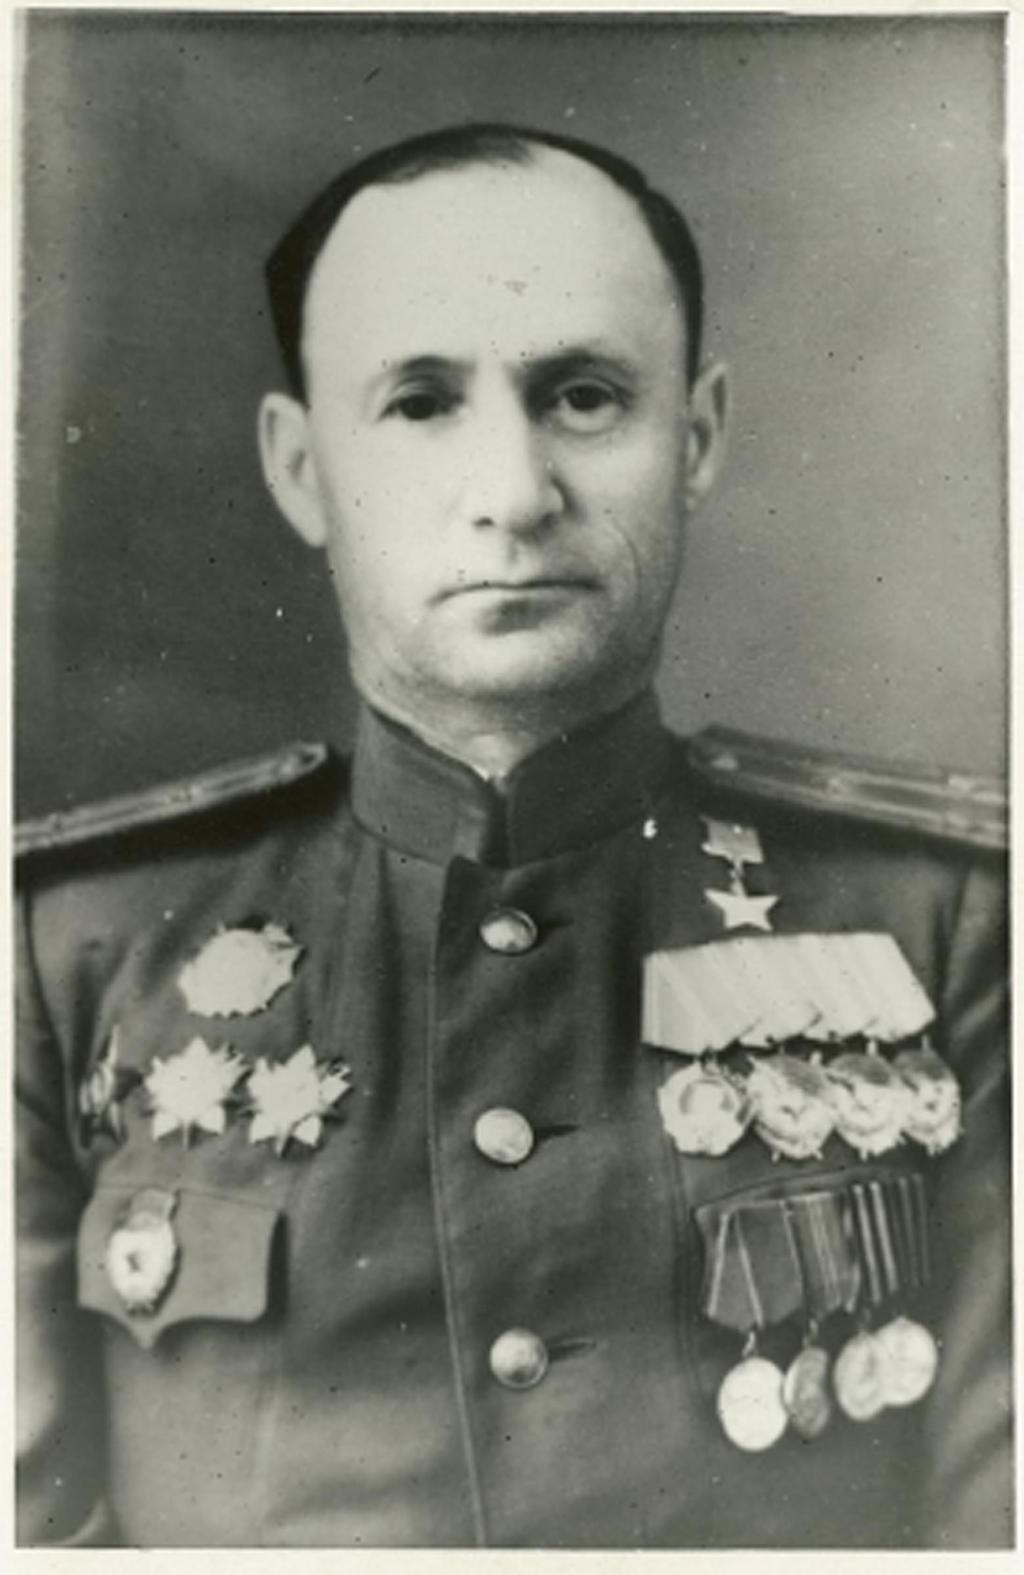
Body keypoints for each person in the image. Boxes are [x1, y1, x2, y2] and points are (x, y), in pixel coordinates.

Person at [15, 122, 1010, 1549]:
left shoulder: (955, 926)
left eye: (586, 397)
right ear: (302, 468)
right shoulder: (68, 949)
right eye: (420, 402)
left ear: (697, 440)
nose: (515, 494)